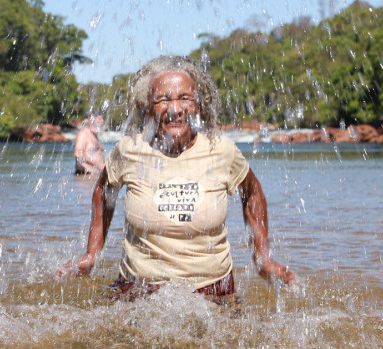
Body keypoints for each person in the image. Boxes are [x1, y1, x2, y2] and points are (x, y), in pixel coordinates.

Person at [56, 56, 296, 301]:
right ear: (147, 107)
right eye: (163, 99)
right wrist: (91, 254)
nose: (175, 109)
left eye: (184, 98)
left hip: (212, 292)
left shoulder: (221, 150)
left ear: (199, 105)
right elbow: (102, 193)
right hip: (138, 289)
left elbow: (253, 193)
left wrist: (262, 259)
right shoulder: (129, 150)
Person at [73, 111, 105, 175]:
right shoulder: (83, 134)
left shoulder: (94, 135)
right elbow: (78, 154)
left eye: (102, 119)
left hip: (94, 176)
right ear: (89, 119)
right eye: (99, 119)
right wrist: (99, 165)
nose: (102, 121)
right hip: (84, 178)